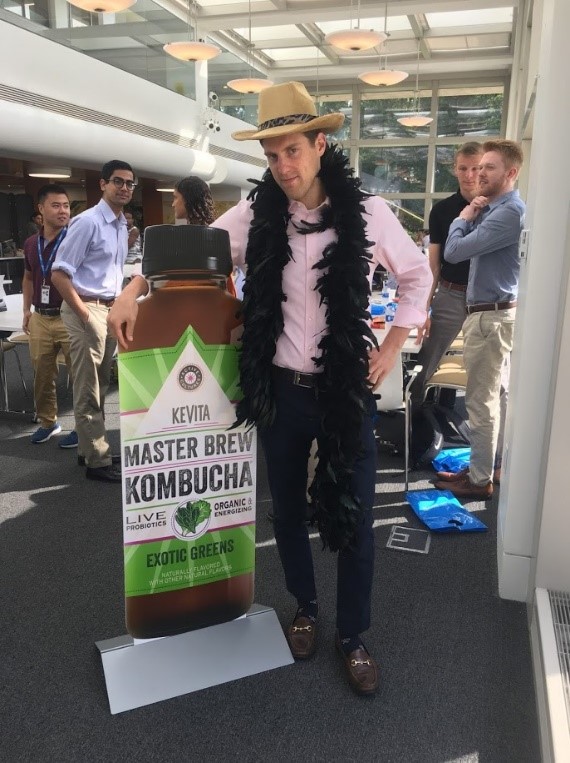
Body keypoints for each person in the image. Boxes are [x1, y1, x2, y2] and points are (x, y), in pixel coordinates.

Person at [108, 82, 431, 695]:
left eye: (293, 151)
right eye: (273, 154)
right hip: (280, 391)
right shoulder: (256, 213)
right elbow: (187, 254)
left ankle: (353, 635)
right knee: (285, 509)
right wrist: (132, 289)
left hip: (345, 392)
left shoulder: (369, 213)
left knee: (356, 517)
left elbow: (417, 275)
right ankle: (306, 608)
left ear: (320, 143)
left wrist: (391, 347)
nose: (284, 166)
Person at [434, 140, 525, 500]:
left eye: (490, 167)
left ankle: (479, 480)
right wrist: (475, 211)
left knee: (481, 402)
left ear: (511, 173)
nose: (480, 173)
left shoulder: (508, 213)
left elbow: (455, 251)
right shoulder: (495, 208)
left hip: (490, 318)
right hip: (491, 314)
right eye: (479, 166)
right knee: (491, 399)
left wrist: (462, 218)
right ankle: (484, 467)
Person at [51, 159, 135, 483]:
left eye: (130, 184)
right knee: (88, 387)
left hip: (108, 309)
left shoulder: (120, 224)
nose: (124, 188)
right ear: (103, 184)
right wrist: (85, 313)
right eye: (118, 182)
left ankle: (89, 450)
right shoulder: (87, 222)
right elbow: (59, 273)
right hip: (85, 308)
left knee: (100, 386)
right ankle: (97, 462)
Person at [410, 141, 483, 409]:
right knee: (427, 359)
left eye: (475, 168)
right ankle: (416, 418)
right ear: (455, 169)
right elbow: (433, 266)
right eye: (463, 168)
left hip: (486, 299)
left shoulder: (498, 209)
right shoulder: (441, 211)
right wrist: (423, 309)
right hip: (451, 294)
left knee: (484, 368)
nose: (470, 175)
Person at [22, 184, 77, 448]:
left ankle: (83, 426)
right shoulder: (31, 243)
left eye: (66, 205)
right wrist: (26, 309)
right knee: (42, 374)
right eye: (56, 205)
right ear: (41, 210)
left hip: (69, 316)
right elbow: (29, 276)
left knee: (81, 375)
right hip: (41, 317)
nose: (63, 211)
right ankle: (48, 423)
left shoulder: (75, 239)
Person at [171, 176, 237, 296]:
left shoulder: (200, 238)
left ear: (188, 199)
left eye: (175, 198)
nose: (173, 204)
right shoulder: (213, 232)